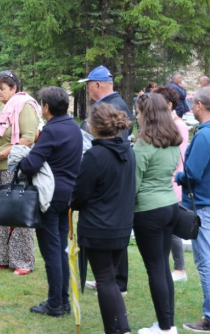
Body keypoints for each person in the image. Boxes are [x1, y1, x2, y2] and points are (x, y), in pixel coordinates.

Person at [71, 102, 135, 334]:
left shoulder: (95, 155)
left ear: (95, 126)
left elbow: (80, 194)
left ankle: (115, 330)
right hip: (120, 225)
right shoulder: (128, 151)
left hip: (99, 227)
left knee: (106, 280)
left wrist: (73, 202)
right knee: (109, 280)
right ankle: (123, 328)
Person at [19, 86, 83, 316]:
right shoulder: (74, 127)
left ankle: (56, 302)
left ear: (46, 108)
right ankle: (63, 301)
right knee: (61, 249)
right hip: (69, 196)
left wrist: (20, 160)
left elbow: (31, 165)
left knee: (52, 251)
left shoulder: (51, 130)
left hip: (50, 197)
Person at [0, 70, 41, 275]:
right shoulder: (5, 108)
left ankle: (23, 260)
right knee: (3, 214)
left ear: (14, 88)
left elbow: (28, 138)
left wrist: (1, 154)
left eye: (2, 88)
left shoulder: (25, 106)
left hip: (15, 168)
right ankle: (4, 258)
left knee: (18, 214)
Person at [79, 65, 132, 296]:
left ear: (98, 85)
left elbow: (114, 147)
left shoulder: (112, 106)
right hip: (108, 178)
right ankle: (109, 279)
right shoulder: (116, 103)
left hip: (106, 180)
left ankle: (116, 282)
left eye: (89, 86)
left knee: (112, 235)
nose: (88, 91)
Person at [133, 93, 182, 334]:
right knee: (162, 266)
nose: (137, 116)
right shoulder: (172, 140)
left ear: (147, 114)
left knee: (156, 268)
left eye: (139, 112)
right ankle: (167, 323)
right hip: (170, 206)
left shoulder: (144, 144)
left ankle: (164, 328)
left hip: (149, 210)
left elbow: (133, 184)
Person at [176, 86, 210, 333]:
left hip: (203, 206)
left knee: (206, 261)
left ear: (199, 105)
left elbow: (192, 174)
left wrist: (177, 175)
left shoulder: (204, 135)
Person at [155, 86, 189, 283]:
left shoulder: (179, 126)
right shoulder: (168, 124)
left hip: (173, 180)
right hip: (166, 179)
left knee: (172, 228)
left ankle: (180, 268)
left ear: (169, 105)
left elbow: (177, 157)